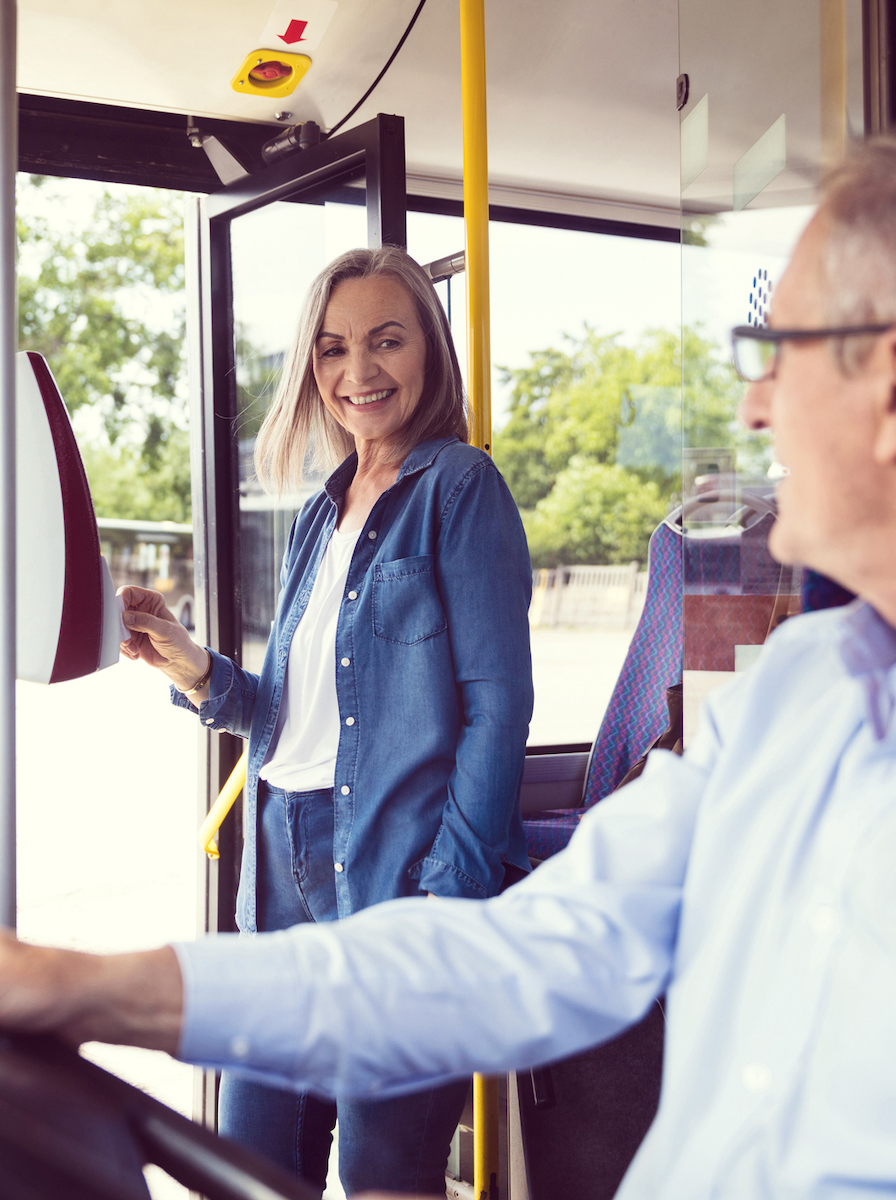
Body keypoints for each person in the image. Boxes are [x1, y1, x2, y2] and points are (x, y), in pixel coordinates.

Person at [0, 75, 896, 1197]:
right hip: (304, 863)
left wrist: (441, 866)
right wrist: (71, 985)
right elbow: (534, 955)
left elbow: (490, 722)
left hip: (399, 850)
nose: (751, 418)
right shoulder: (806, 695)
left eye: (772, 357)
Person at [111, 246, 534, 1194]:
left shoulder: (461, 488)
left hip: (398, 870)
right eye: (334, 349)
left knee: (384, 1175)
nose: (359, 372)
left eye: (387, 341)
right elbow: (287, 717)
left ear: (430, 349)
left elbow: (499, 707)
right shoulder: (320, 510)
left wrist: (447, 895)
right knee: (255, 1165)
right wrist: (191, 665)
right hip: (281, 871)